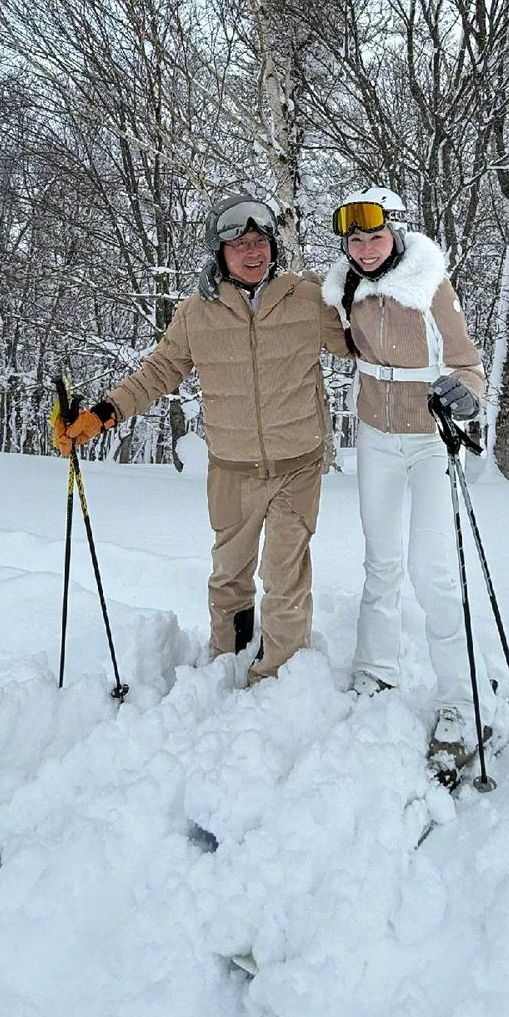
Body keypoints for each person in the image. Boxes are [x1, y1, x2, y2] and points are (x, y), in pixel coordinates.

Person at [53, 189, 349, 684]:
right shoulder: (197, 312)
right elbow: (158, 372)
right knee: (229, 576)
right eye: (241, 245)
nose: (254, 253)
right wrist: (101, 415)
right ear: (220, 253)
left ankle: (278, 676)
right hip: (231, 470)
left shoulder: (309, 297)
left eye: (262, 241)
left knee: (284, 577)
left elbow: (361, 343)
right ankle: (228, 657)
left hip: (296, 466)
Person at [322, 185, 489, 784]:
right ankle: (375, 667)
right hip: (375, 435)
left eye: (375, 235)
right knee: (381, 560)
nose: (365, 248)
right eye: (355, 239)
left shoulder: (430, 283)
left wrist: (466, 392)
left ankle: (462, 702)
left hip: (430, 438)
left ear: (395, 232)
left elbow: (469, 362)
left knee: (432, 570)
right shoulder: (342, 287)